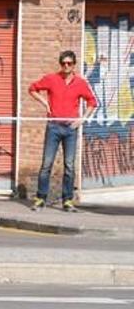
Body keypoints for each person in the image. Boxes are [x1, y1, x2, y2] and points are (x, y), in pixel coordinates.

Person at [28, 51, 98, 212]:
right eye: (63, 63)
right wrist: (45, 103)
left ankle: (67, 201)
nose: (66, 66)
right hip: (53, 127)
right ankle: (40, 198)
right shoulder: (52, 79)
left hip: (70, 129)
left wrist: (82, 119)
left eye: (69, 63)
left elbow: (92, 102)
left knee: (69, 166)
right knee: (46, 164)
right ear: (60, 64)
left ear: (74, 65)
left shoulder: (80, 83)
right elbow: (32, 88)